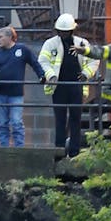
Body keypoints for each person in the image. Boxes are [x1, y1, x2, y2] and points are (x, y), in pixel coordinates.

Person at [39, 13, 98, 157]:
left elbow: (94, 60)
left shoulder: (82, 43)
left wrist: (86, 74)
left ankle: (74, 152)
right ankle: (59, 151)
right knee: (60, 119)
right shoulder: (50, 43)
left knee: (75, 119)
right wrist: (51, 75)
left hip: (76, 86)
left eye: (66, 32)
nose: (63, 34)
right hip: (58, 86)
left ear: (72, 30)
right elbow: (43, 61)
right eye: (61, 31)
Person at [0, 25, 44, 147]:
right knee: (2, 123)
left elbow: (34, 63)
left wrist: (41, 76)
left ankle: (19, 149)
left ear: (9, 37)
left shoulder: (22, 50)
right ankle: (4, 149)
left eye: (0, 37)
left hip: (16, 94)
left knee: (16, 123)